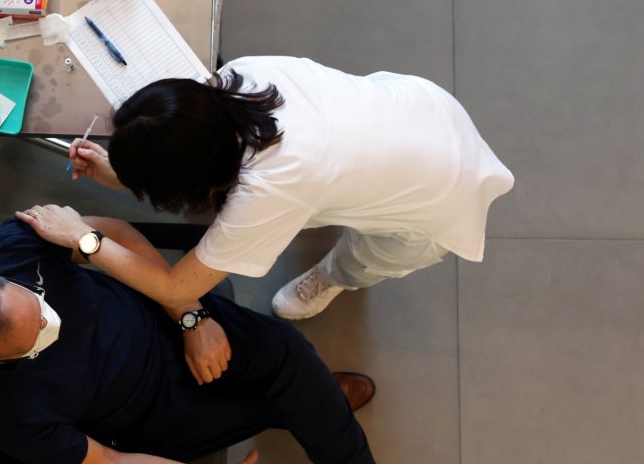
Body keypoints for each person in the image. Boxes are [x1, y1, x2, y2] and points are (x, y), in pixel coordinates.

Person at [0, 214, 474, 464]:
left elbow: (109, 235)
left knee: (287, 353)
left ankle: (313, 411)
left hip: (166, 313)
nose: (54, 321)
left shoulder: (10, 248)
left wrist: (186, 313)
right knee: (289, 383)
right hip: (154, 408)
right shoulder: (0, 409)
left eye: (39, 305)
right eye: (36, 338)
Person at [33, 57, 513, 327]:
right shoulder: (237, 79)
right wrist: (124, 169)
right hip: (414, 108)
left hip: (437, 191)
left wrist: (84, 239)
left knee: (370, 257)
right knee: (319, 195)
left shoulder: (272, 190)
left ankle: (333, 277)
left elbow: (177, 287)